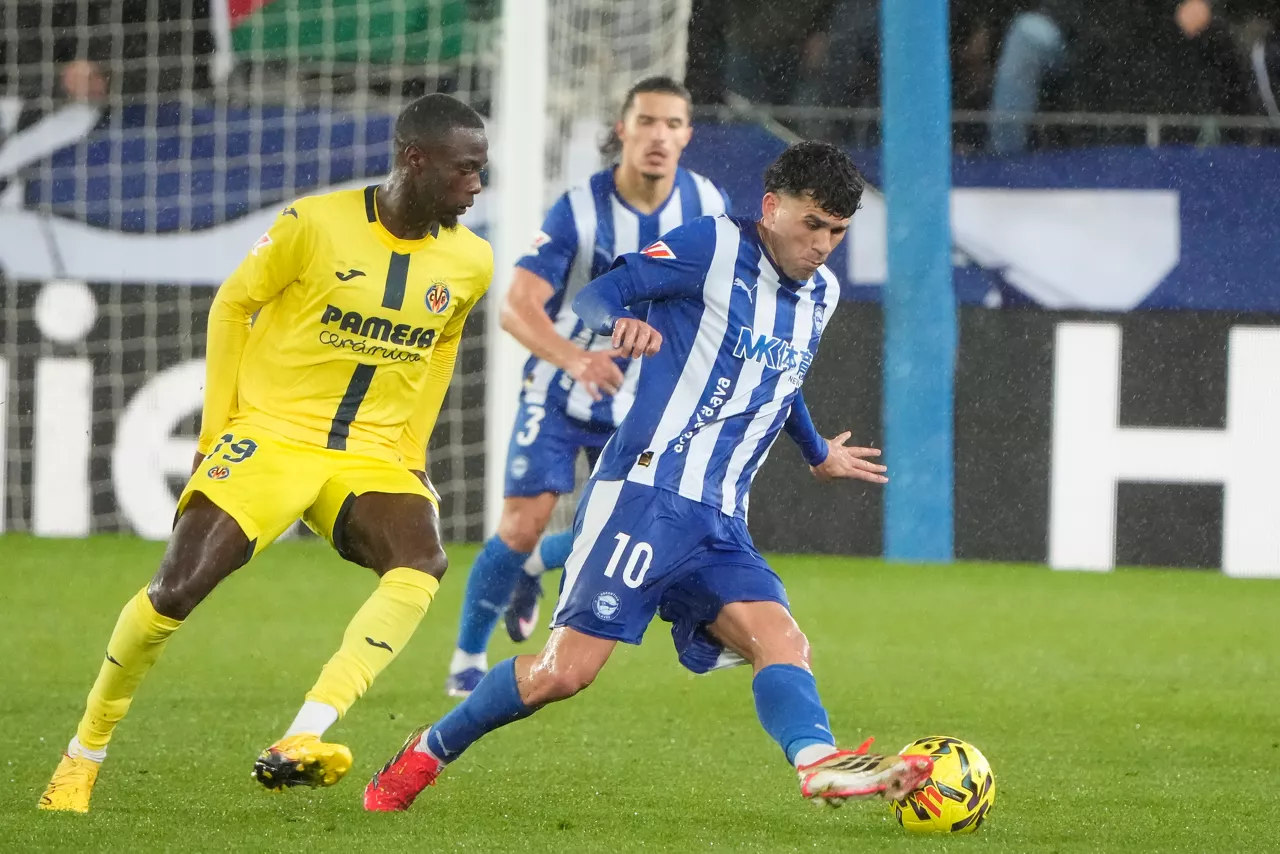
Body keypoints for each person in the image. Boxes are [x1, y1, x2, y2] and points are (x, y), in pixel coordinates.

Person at [365, 140, 934, 812]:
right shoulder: (711, 245)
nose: (823, 245)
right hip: (644, 496)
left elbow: (780, 383)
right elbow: (601, 291)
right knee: (563, 675)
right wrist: (625, 320)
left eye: (837, 232)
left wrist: (816, 453)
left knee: (782, 639)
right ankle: (427, 751)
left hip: (720, 519)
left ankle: (819, 764)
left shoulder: (822, 296)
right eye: (812, 225)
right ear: (773, 207)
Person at [38, 93, 492, 813]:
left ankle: (300, 738)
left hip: (370, 454)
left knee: (422, 562)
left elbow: (441, 350)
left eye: (482, 170)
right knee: (175, 593)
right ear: (416, 159)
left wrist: (410, 449)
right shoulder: (313, 224)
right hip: (272, 434)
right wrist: (218, 433)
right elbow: (232, 305)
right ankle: (82, 754)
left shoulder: (470, 262)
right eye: (466, 170)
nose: (477, 185)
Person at [445, 75, 730, 697]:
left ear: (687, 136)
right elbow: (518, 305)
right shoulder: (579, 207)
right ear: (623, 129)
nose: (659, 135)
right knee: (522, 522)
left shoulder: (706, 205)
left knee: (645, 525)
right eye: (647, 121)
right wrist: (576, 358)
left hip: (646, 398)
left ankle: (534, 566)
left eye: (672, 124)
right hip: (560, 384)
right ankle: (466, 660)